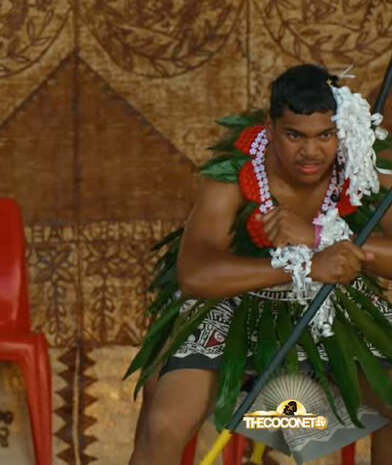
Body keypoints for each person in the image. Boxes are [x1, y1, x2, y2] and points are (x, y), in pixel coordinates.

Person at [129, 65, 392, 463]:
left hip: (330, 301)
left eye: (325, 135)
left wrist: (321, 238)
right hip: (235, 297)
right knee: (164, 421)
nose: (311, 152)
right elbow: (195, 274)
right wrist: (302, 267)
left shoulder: (358, 168)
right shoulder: (236, 172)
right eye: (294, 136)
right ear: (270, 127)